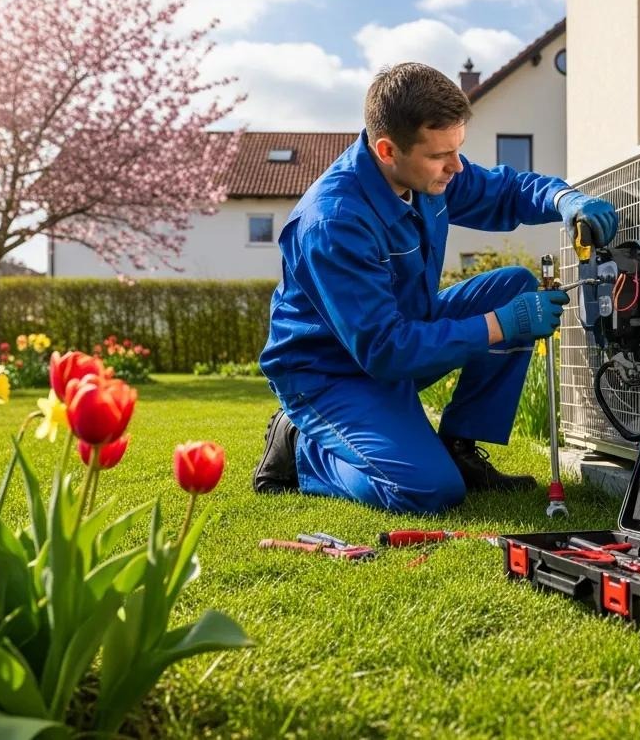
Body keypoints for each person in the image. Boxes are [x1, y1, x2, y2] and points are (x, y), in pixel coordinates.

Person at [252, 62, 618, 514]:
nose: (456, 166)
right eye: (440, 155)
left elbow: (506, 191)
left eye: (458, 148)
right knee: (427, 490)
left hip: (403, 335)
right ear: (387, 150)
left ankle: (460, 451)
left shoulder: (426, 174)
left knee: (513, 286)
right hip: (331, 373)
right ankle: (302, 447)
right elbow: (385, 351)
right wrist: (503, 324)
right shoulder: (333, 223)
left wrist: (566, 199)